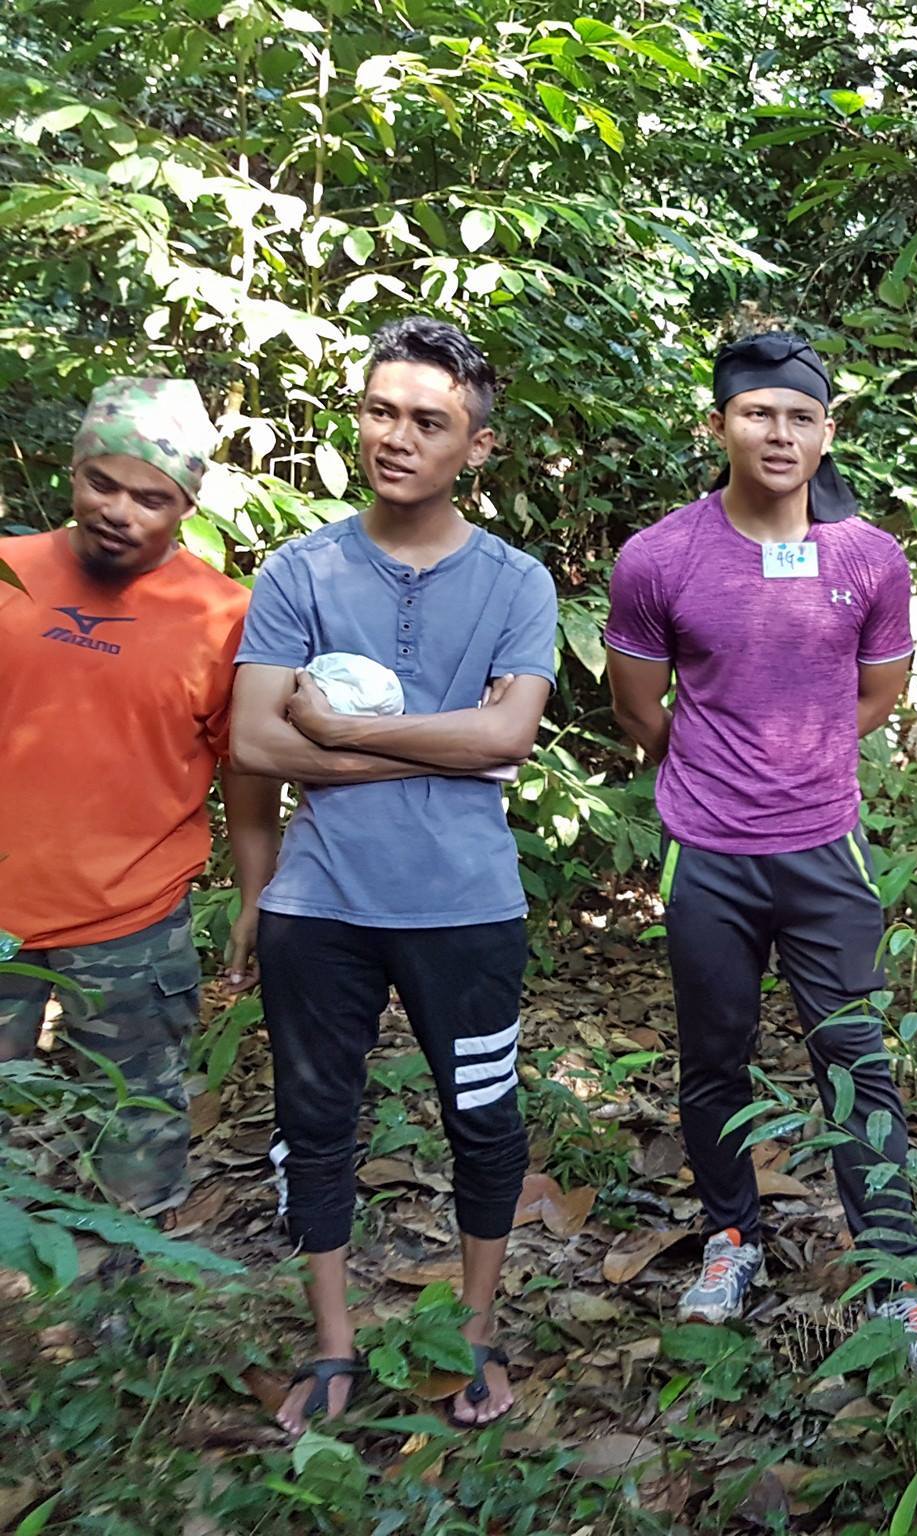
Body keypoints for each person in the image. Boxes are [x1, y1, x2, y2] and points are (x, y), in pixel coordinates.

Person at [230, 317, 557, 1435]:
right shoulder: (301, 568)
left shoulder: (516, 581)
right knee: (314, 1118)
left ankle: (472, 1330)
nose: (397, 437)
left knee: (483, 1116)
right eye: (381, 411)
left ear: (477, 445)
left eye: (429, 421)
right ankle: (331, 1345)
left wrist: (339, 737)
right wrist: (432, 739)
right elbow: (257, 744)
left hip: (466, 905)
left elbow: (508, 738)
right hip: (318, 904)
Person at [604, 330, 917, 1365]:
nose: (778, 432)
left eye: (800, 416)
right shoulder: (658, 556)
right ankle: (730, 1236)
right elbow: (638, 701)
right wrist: (713, 766)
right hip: (706, 853)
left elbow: (876, 693)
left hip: (824, 851)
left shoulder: (867, 558)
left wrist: (796, 761)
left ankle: (894, 1273)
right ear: (718, 425)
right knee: (716, 1059)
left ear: (827, 432)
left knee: (856, 1061)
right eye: (757, 412)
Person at [0, 378, 282, 1218]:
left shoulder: (222, 615)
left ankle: (125, 1325)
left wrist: (254, 893)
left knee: (136, 1135)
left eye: (150, 497)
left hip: (133, 918)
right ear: (74, 471)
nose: (119, 510)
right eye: (101, 483)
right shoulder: (10, 573)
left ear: (187, 502)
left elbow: (246, 766)